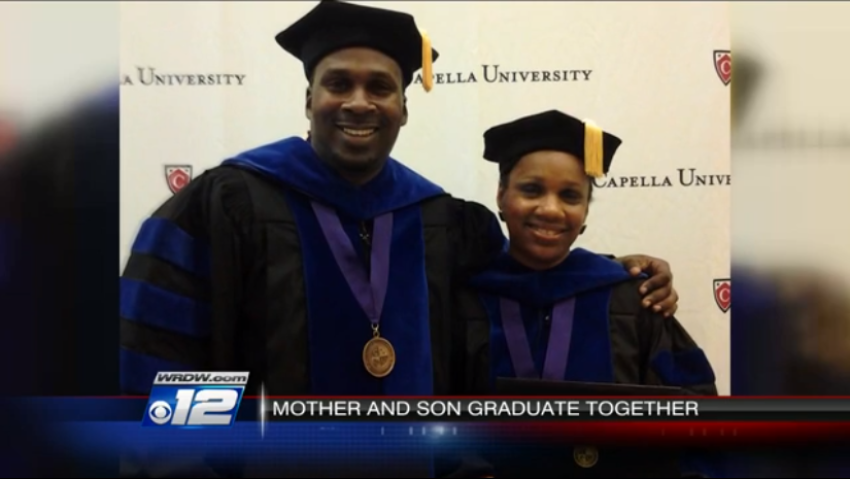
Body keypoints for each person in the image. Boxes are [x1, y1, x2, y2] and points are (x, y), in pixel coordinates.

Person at [119, 1, 681, 476]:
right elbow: (165, 356)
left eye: (381, 87)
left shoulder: (447, 224)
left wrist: (617, 272)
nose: (359, 102)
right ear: (309, 99)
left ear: (404, 108)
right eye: (338, 82)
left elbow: (528, 281)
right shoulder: (226, 204)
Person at [461, 110, 718, 477]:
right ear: (501, 195)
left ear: (584, 211)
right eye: (531, 189)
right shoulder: (463, 298)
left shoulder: (632, 299)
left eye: (570, 196)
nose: (551, 209)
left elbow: (696, 416)